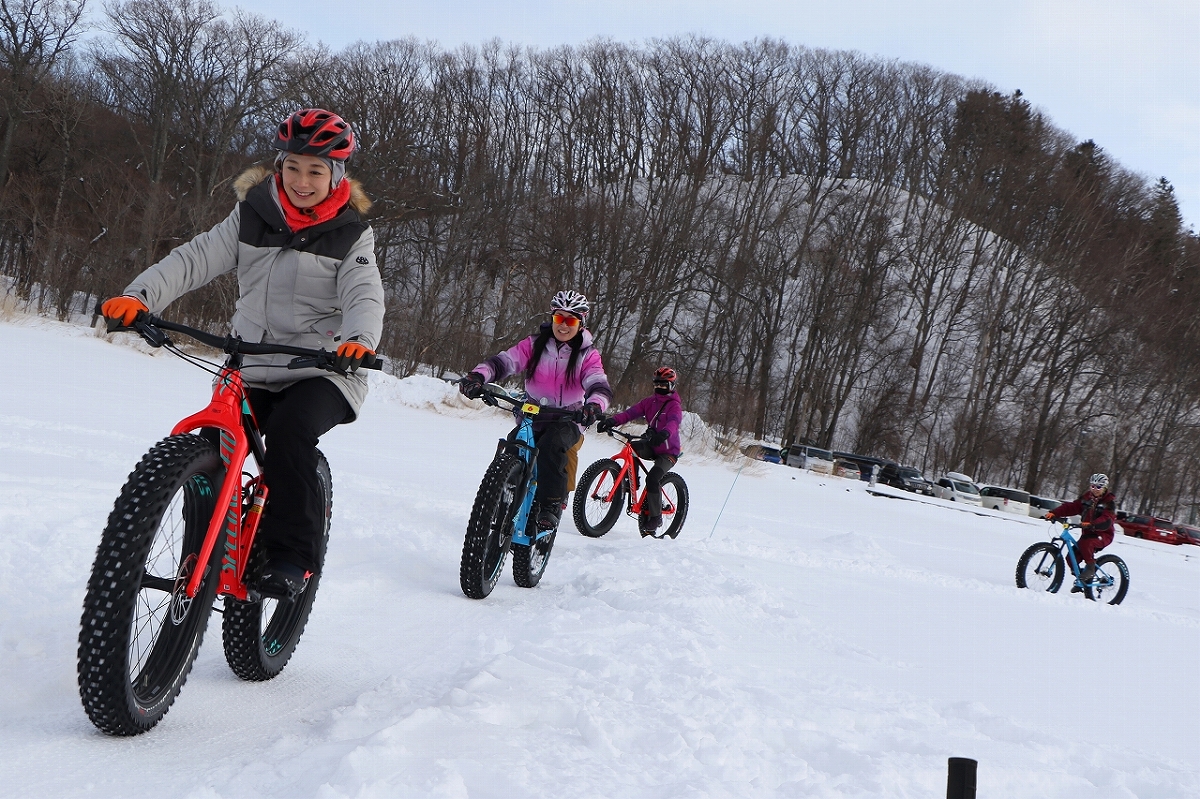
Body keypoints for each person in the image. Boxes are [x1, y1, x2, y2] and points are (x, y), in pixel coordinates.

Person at [100, 108, 384, 599]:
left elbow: (365, 294)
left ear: (336, 175)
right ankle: (204, 549)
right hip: (249, 358)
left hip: (324, 369)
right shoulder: (253, 213)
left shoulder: (351, 233)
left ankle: (293, 555)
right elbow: (194, 259)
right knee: (213, 442)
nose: (301, 180)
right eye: (293, 166)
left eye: (316, 170)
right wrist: (140, 296)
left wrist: (358, 341)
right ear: (279, 165)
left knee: (290, 437)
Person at [459, 290, 612, 530]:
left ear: (581, 323)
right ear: (552, 318)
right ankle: (498, 500)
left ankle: (551, 504)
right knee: (512, 447)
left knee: (551, 447)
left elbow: (598, 383)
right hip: (532, 413)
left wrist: (594, 405)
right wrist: (478, 376)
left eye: (570, 320)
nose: (563, 326)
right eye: (558, 318)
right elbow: (504, 362)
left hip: (568, 417)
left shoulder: (587, 355)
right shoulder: (534, 345)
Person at [597, 366, 683, 536]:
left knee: (653, 478)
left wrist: (665, 433)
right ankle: (630, 481)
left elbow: (674, 422)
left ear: (671, 386)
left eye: (664, 384)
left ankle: (656, 517)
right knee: (632, 448)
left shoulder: (674, 405)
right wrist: (611, 421)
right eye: (657, 384)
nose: (659, 387)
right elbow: (630, 413)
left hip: (668, 451)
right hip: (651, 445)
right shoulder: (649, 402)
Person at [1044, 473, 1117, 585]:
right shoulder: (1087, 499)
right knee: (1071, 557)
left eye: (1098, 487)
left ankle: (1091, 568)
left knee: (1085, 544)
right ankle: (1082, 580)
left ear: (1105, 488)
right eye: (1092, 486)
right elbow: (1072, 507)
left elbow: (1106, 520)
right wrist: (1054, 513)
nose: (1095, 489)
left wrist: (1092, 524)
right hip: (1088, 533)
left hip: (1103, 534)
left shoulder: (1108, 503)